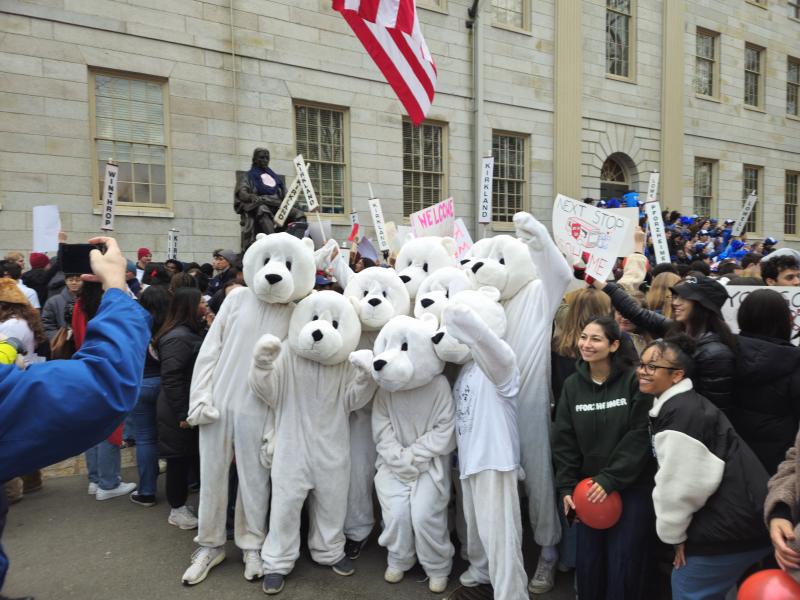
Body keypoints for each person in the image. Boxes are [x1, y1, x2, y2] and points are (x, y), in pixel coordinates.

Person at [0, 236, 150, 594]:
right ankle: (104, 480)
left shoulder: (74, 305)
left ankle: (101, 479)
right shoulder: (73, 304)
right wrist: (117, 283)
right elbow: (105, 384)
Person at [640, 336, 770, 600]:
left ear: (677, 375)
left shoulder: (683, 415)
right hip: (743, 519)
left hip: (729, 528)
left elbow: (680, 487)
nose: (642, 371)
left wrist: (674, 536)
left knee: (689, 588)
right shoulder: (683, 405)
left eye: (652, 367)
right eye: (641, 364)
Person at [552, 316, 654, 600]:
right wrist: (566, 487)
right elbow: (564, 440)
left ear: (614, 345)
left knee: (623, 562)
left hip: (631, 486)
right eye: (583, 337)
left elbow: (640, 434)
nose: (586, 344)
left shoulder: (635, 380)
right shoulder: (572, 385)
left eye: (595, 339)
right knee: (589, 562)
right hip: (588, 490)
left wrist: (611, 478)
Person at [594, 273, 736, 412]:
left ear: (703, 305)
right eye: (675, 296)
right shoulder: (676, 331)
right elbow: (635, 312)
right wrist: (596, 279)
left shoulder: (716, 353)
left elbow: (714, 410)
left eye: (684, 298)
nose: (675, 303)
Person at [75, 281, 138, 501]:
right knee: (110, 428)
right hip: (110, 368)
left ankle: (95, 479)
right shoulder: (111, 305)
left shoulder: (80, 304)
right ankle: (108, 482)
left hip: (84, 366)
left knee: (90, 427)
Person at [730, 289, 800, 475]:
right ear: (784, 320)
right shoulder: (793, 362)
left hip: (734, 458)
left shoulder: (723, 354)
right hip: (780, 462)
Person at [152, 287, 205, 529]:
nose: (204, 306)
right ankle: (177, 509)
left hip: (184, 405)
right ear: (189, 307)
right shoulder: (178, 337)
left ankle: (182, 504)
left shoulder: (185, 333)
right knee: (177, 460)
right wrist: (183, 413)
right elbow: (172, 378)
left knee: (185, 456)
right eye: (200, 303)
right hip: (177, 409)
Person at [128, 285, 171, 507]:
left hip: (141, 383)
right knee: (171, 438)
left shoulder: (135, 323)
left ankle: (146, 491)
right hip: (166, 384)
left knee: (145, 439)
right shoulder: (171, 324)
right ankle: (181, 489)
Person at [0, 280, 44, 367]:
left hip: (16, 371)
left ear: (3, 305)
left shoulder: (11, 325)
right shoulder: (20, 320)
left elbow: (6, 356)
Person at [41, 274, 82, 341]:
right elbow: (47, 324)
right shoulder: (53, 301)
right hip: (63, 344)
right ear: (66, 281)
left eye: (78, 280)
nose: (74, 282)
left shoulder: (89, 301)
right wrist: (59, 338)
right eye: (70, 280)